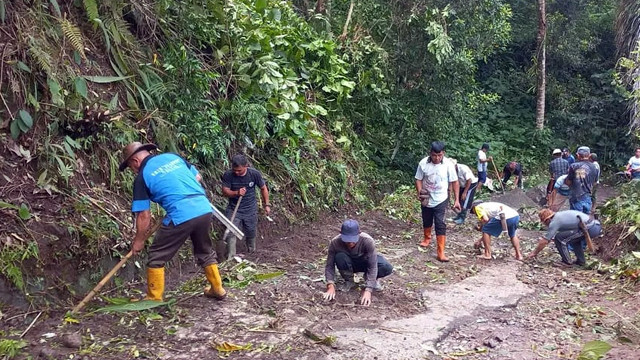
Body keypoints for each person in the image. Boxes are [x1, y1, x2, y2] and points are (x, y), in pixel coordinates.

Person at [119, 142, 226, 301]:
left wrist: (139, 241)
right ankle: (217, 289)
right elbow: (197, 177)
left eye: (130, 167)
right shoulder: (172, 157)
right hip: (203, 207)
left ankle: (153, 298)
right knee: (204, 249)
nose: (133, 171)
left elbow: (144, 215)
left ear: (135, 161)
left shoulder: (142, 177)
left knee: (156, 255)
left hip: (180, 213)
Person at [322, 219, 393, 306]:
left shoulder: (367, 241)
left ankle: (371, 280)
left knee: (386, 266)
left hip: (364, 263)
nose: (350, 243)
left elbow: (373, 266)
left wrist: (368, 289)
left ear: (359, 233)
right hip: (348, 264)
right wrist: (330, 285)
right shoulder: (335, 242)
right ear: (341, 233)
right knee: (340, 256)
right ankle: (349, 281)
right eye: (347, 239)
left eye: (353, 239)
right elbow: (329, 265)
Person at [415, 141, 461, 262]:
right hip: (427, 197)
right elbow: (418, 179)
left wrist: (456, 200)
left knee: (440, 223)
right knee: (427, 219)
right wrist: (420, 192)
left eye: (439, 155)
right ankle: (427, 238)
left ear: (443, 154)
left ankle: (441, 252)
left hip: (441, 198)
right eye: (434, 155)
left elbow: (455, 182)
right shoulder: (423, 163)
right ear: (430, 153)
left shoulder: (448, 165)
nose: (437, 158)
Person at [221, 154, 270, 259]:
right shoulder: (228, 175)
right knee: (230, 231)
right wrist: (236, 193)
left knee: (251, 230)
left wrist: (267, 205)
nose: (236, 173)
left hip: (250, 208)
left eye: (239, 170)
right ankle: (230, 258)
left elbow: (263, 188)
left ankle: (252, 253)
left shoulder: (254, 174)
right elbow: (225, 191)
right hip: (234, 208)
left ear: (246, 166)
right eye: (234, 170)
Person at [527, 209, 602, 266]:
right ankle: (581, 261)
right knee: (574, 240)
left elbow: (545, 241)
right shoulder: (559, 215)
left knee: (559, 238)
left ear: (547, 219)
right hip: (595, 226)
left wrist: (534, 253)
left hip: (590, 228)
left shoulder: (554, 222)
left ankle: (567, 261)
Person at [565, 146, 598, 214]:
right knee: (585, 220)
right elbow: (595, 182)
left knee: (576, 220)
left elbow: (568, 182)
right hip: (588, 197)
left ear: (577, 155)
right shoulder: (594, 167)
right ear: (589, 155)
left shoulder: (574, 166)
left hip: (576, 197)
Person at [450, 159, 478, 225]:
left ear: (455, 165)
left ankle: (462, 218)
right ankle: (458, 216)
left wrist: (465, 192)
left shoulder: (463, 168)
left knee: (465, 200)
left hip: (471, 184)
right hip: (462, 184)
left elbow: (469, 180)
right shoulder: (452, 172)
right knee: (459, 200)